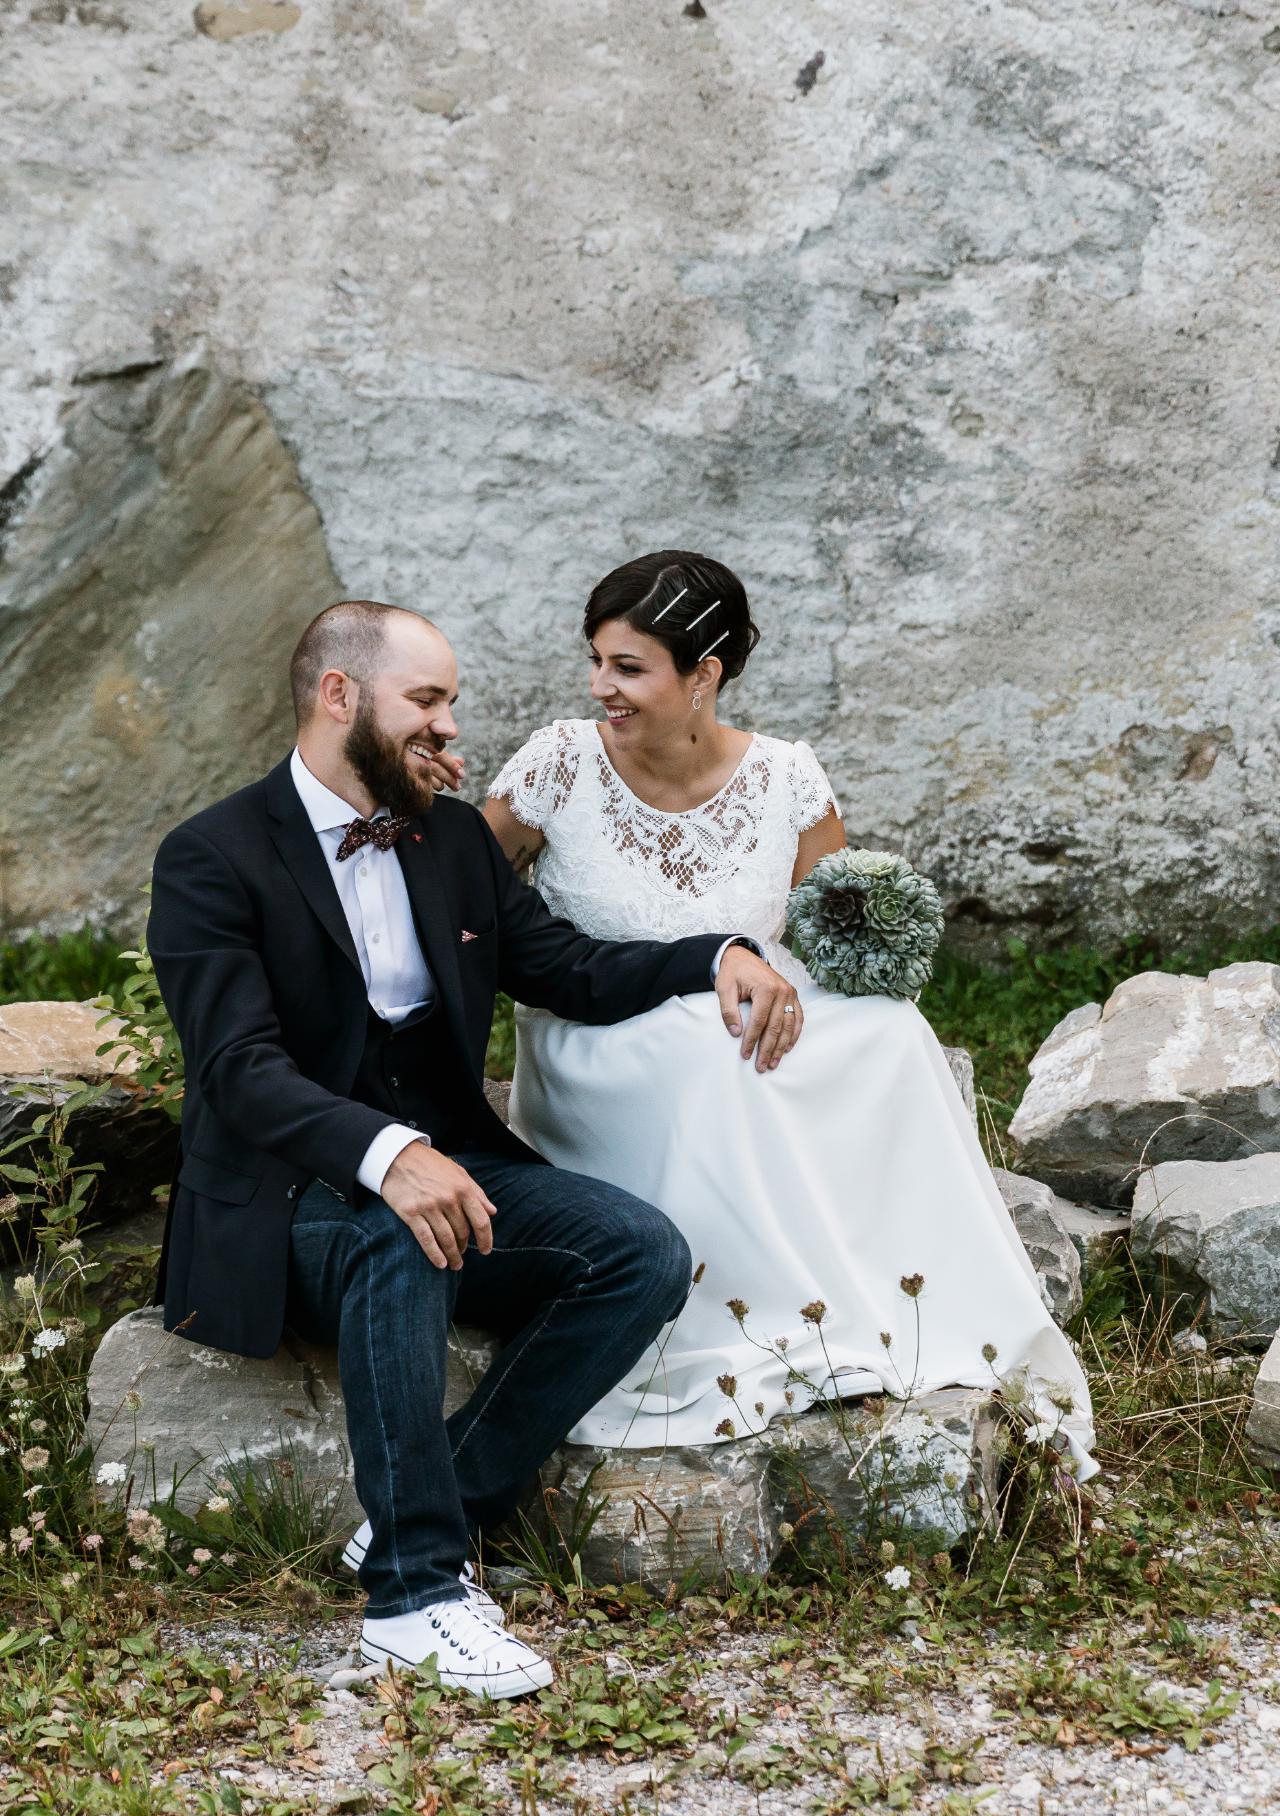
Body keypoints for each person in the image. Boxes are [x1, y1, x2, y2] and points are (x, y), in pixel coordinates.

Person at [146, 599, 798, 1696]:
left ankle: (436, 1499)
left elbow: (568, 969)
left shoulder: (447, 838)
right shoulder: (211, 855)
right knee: (402, 1235)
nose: (451, 727)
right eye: (427, 701)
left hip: (452, 1161)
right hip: (287, 1195)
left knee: (637, 1252)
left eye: (450, 702)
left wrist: (715, 952)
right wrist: (387, 1153)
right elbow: (237, 1069)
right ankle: (414, 1598)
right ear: (339, 696)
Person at [482, 551, 1097, 1477]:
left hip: (746, 1012)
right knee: (710, 1045)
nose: (600, 686)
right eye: (597, 661)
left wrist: (854, 967)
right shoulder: (560, 762)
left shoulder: (785, 777)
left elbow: (828, 935)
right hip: (602, 1031)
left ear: (703, 675)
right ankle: (739, 1314)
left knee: (893, 1033)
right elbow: (464, 897)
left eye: (628, 667)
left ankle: (891, 1297)